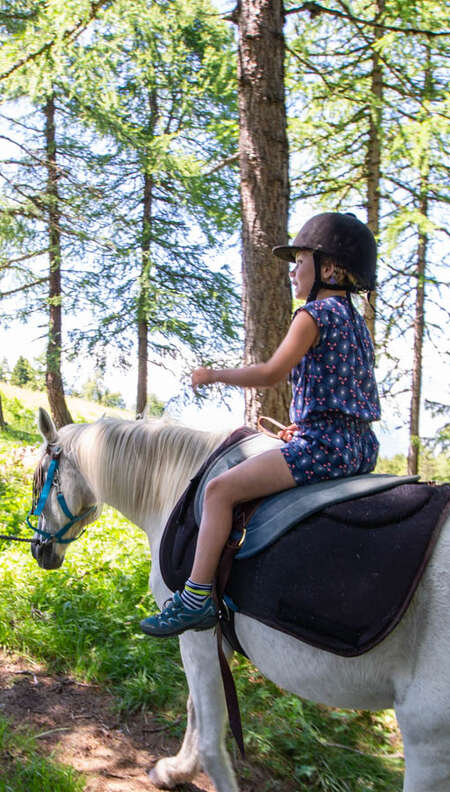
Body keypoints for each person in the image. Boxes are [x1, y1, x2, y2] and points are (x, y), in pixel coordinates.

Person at [140, 211, 381, 637]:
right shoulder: (355, 322)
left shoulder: (313, 315)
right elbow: (342, 394)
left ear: (328, 267)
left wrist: (214, 374)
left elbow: (272, 373)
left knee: (219, 490)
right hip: (360, 446)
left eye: (300, 261)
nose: (293, 273)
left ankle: (195, 597)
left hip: (324, 446)